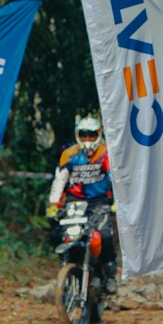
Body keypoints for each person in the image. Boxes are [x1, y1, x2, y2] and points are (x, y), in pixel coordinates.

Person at [46, 113, 118, 294]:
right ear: (78, 135)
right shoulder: (69, 155)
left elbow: (116, 179)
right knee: (61, 233)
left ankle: (110, 276)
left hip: (98, 201)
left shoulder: (106, 154)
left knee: (105, 235)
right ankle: (67, 267)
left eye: (91, 135)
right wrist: (53, 204)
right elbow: (59, 180)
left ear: (98, 135)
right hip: (74, 202)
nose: (87, 139)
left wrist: (118, 202)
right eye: (84, 135)